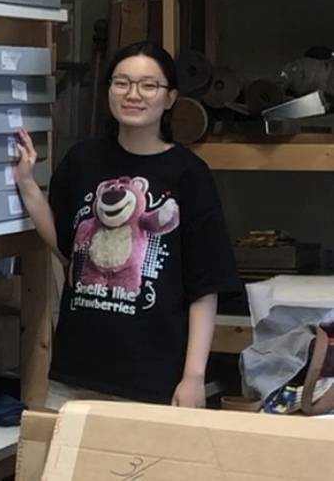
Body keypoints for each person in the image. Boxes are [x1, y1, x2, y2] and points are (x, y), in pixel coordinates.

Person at [13, 40, 240, 409]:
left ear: (169, 98)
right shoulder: (83, 160)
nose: (133, 94)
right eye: (122, 83)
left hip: (153, 381)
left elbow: (205, 285)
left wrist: (194, 376)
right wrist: (26, 183)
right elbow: (65, 246)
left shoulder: (189, 174)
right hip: (76, 371)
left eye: (148, 85)